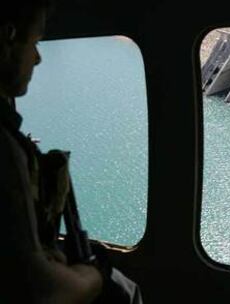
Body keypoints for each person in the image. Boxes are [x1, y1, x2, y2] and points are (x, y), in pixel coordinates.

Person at [0, 1, 141, 303]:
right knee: (125, 292)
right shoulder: (3, 149)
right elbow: (45, 291)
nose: (37, 58)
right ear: (8, 39)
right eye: (35, 42)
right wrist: (96, 275)